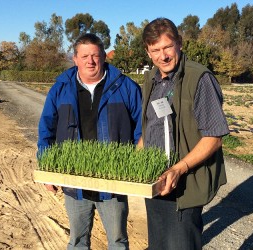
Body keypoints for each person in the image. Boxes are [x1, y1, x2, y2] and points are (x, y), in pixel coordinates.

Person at [37, 33, 142, 249]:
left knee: (117, 241)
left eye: (95, 55)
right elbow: (46, 130)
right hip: (74, 181)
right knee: (77, 241)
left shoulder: (126, 87)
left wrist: (136, 168)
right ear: (75, 59)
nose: (90, 61)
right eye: (84, 56)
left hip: (114, 181)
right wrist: (47, 170)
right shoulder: (60, 88)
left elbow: (143, 128)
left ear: (104, 56)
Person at [139, 18, 230, 250]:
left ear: (179, 44)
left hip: (183, 183)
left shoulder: (199, 78)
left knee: (180, 244)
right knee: (158, 243)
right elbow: (150, 126)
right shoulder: (151, 78)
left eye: (167, 47)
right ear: (148, 52)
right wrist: (135, 161)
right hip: (154, 180)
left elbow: (214, 137)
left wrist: (178, 169)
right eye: (156, 50)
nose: (163, 56)